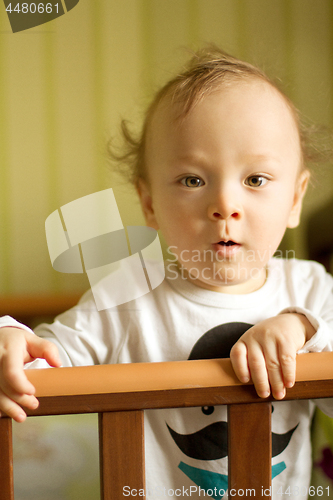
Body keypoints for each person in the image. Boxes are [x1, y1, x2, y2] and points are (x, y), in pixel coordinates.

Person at [0, 46, 333, 499]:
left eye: (255, 180)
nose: (225, 206)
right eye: (193, 180)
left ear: (295, 199)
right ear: (150, 203)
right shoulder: (126, 296)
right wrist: (9, 344)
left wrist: (302, 330)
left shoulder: (312, 289)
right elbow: (43, 370)